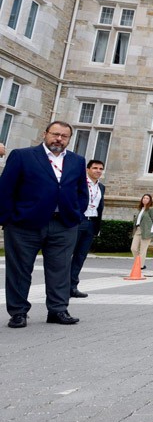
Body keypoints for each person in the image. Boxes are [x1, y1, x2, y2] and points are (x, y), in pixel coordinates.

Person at [1, 121, 88, 328]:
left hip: (63, 224)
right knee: (20, 270)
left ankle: (58, 310)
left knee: (60, 269)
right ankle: (18, 312)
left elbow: (81, 193)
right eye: (55, 134)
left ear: (69, 139)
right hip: (24, 225)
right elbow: (5, 189)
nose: (59, 139)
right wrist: (8, 219)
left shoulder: (77, 161)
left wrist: (76, 215)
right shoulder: (23, 156)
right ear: (45, 133)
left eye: (64, 136)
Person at [69, 159, 105, 298]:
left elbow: (100, 206)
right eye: (95, 168)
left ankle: (73, 286)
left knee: (80, 257)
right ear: (88, 169)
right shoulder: (80, 183)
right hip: (79, 221)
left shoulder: (101, 187)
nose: (98, 171)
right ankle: (61, 287)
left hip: (91, 223)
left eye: (101, 168)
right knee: (67, 256)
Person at [130, 194, 153, 270]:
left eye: (147, 198)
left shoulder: (151, 209)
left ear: (150, 200)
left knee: (143, 250)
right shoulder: (140, 209)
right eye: (144, 198)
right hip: (138, 230)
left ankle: (140, 266)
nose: (145, 199)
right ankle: (138, 262)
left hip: (146, 231)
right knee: (134, 248)